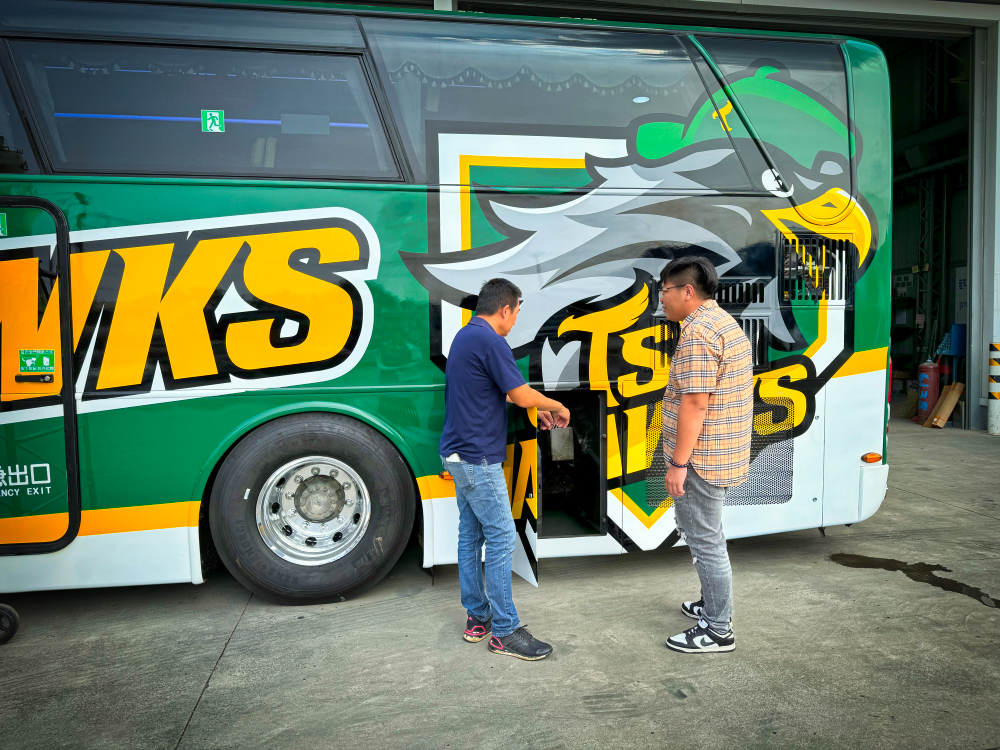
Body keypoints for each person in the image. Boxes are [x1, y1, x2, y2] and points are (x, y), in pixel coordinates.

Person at [440, 278, 570, 661]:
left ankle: (477, 617)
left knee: (470, 536)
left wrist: (534, 408)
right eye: (516, 314)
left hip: (456, 454)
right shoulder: (491, 341)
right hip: (479, 458)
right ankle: (505, 631)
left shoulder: (465, 336)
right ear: (505, 308)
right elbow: (520, 393)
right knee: (500, 536)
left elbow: (492, 392)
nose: (515, 322)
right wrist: (556, 406)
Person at [658, 256, 753, 654]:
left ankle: (717, 629)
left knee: (705, 540)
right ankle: (711, 603)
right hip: (721, 450)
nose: (661, 299)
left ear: (687, 291)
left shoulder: (698, 333)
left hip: (700, 457)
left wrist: (678, 464)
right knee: (707, 535)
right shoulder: (722, 322)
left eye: (664, 291)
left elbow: (695, 403)